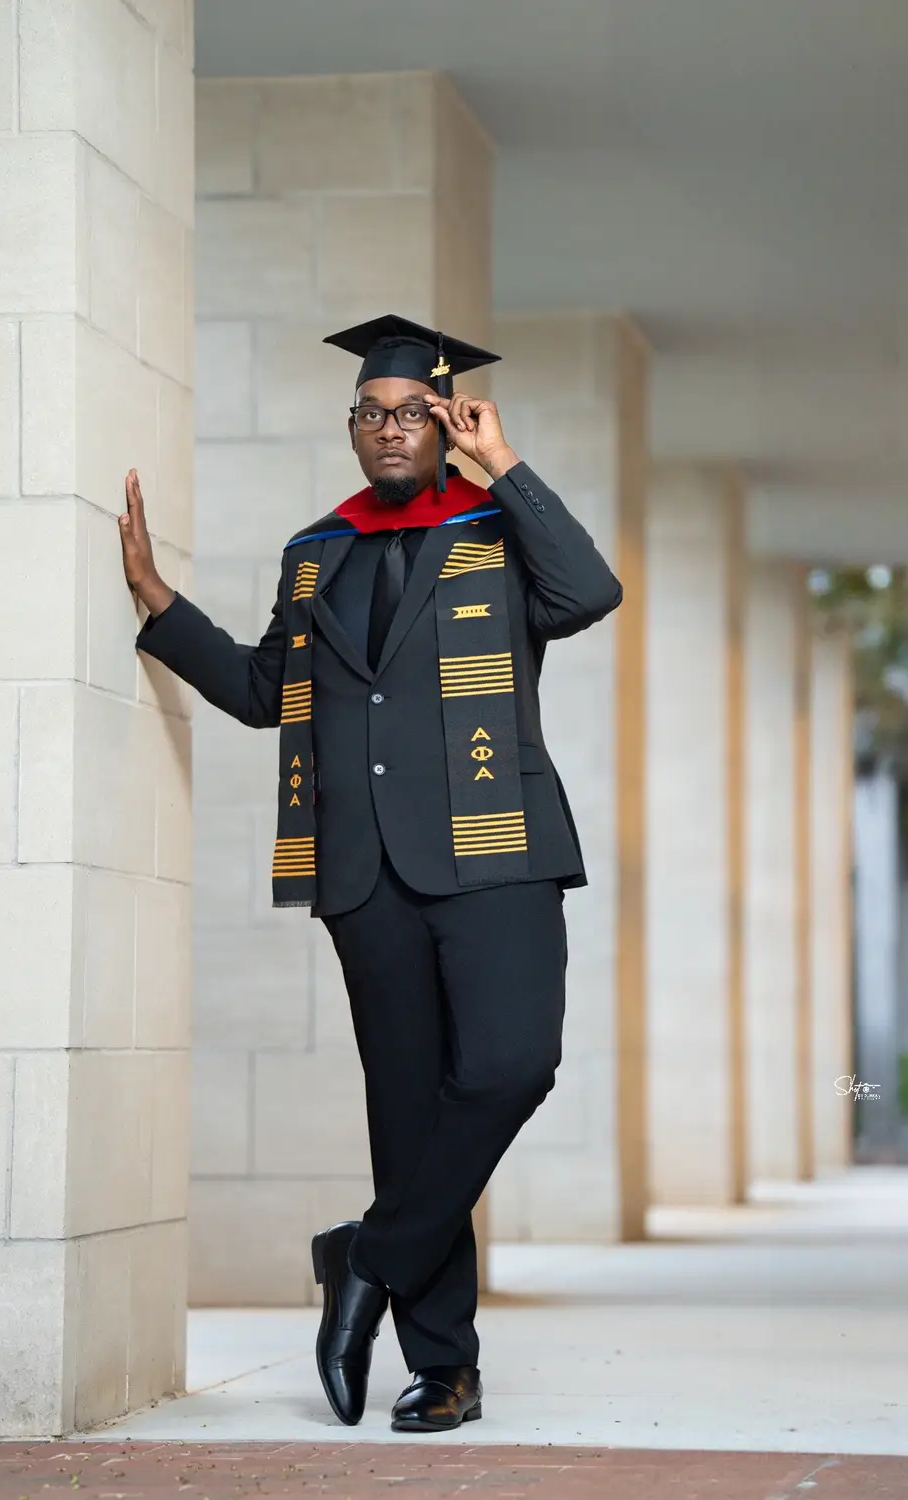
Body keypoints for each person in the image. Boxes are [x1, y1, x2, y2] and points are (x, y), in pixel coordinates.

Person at [120, 314, 622, 1432]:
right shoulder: (318, 553)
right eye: (371, 414)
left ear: (446, 423)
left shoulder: (499, 529)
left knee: (510, 1067)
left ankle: (369, 1255)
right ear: (352, 428)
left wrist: (507, 462)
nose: (389, 431)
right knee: (406, 1112)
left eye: (413, 414)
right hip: (366, 874)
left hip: (496, 854)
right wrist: (159, 603)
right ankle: (443, 1366)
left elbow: (589, 596)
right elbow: (264, 693)